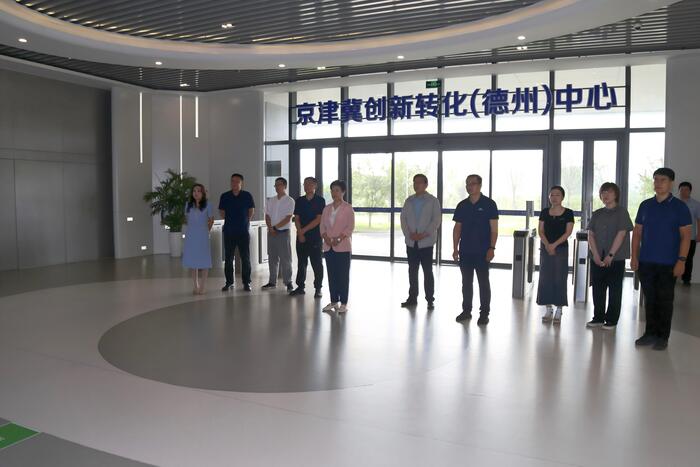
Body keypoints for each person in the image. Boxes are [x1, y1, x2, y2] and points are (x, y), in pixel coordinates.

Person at [632, 167, 692, 351]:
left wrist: (681, 260)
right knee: (650, 299)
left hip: (669, 263)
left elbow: (686, 236)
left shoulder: (680, 207)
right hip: (646, 261)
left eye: (663, 180)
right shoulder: (645, 205)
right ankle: (649, 333)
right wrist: (634, 257)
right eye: (656, 179)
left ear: (671, 183)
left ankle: (662, 336)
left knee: (665, 300)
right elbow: (637, 233)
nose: (658, 183)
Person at [586, 183, 633, 329]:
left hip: (616, 258)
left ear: (616, 194)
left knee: (615, 289)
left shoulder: (621, 212)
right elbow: (590, 234)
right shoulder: (597, 213)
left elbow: (621, 233)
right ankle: (598, 317)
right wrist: (595, 254)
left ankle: (612, 319)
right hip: (597, 257)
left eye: (609, 192)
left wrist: (611, 255)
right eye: (603, 192)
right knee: (598, 289)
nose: (605, 195)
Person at [453, 174, 498, 326]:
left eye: (473, 183)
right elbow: (457, 228)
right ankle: (466, 311)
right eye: (467, 184)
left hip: (483, 251)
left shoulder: (489, 204)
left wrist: (492, 248)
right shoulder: (462, 205)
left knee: (483, 283)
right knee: (466, 283)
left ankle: (484, 313)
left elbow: (494, 229)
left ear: (480, 185)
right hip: (465, 251)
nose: (469, 186)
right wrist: (455, 248)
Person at [399, 174, 441, 309]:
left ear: (426, 184)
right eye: (414, 182)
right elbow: (403, 219)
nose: (416, 185)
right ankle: (412, 298)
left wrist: (424, 234)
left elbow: (436, 220)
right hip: (411, 242)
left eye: (419, 182)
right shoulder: (409, 201)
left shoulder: (433, 201)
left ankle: (430, 299)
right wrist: (409, 234)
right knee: (412, 271)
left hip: (426, 242)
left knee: (427, 271)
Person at [537, 186, 575, 324]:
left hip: (561, 249)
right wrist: (548, 245)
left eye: (557, 195)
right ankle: (548, 309)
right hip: (546, 248)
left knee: (560, 278)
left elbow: (568, 232)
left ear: (562, 197)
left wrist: (554, 245)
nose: (554, 197)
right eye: (551, 195)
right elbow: (541, 231)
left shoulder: (568, 213)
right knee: (545, 278)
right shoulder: (544, 212)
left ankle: (559, 309)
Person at [320, 180, 355, 314]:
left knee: (343, 276)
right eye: (332, 190)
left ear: (343, 192)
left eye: (337, 190)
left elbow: (350, 227)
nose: (334, 193)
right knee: (332, 274)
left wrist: (338, 239)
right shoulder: (327, 208)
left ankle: (344, 303)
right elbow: (322, 226)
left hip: (343, 247)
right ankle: (334, 301)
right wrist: (326, 238)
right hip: (328, 246)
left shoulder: (348, 208)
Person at [290, 177, 326, 298]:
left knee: (317, 263)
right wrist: (300, 233)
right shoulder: (299, 200)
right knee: (301, 263)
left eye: (309, 184)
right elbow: (297, 218)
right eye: (305, 184)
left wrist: (303, 231)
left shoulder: (320, 200)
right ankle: (300, 287)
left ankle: (318, 288)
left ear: (315, 186)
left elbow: (318, 219)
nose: (306, 186)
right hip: (301, 237)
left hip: (315, 237)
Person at [219, 173, 255, 292]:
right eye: (232, 181)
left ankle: (246, 282)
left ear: (241, 183)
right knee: (229, 258)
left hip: (243, 232)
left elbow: (251, 211)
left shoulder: (247, 195)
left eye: (237, 181)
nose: (234, 183)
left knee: (245, 258)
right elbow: (222, 212)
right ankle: (229, 282)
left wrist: (246, 222)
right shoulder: (225, 196)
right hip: (229, 232)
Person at [262, 177, 295, 292]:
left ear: (285, 186)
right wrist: (270, 228)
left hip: (283, 233)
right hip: (271, 232)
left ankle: (288, 282)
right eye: (275, 185)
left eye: (279, 185)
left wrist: (275, 228)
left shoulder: (289, 200)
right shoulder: (271, 200)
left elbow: (288, 218)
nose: (277, 187)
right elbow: (267, 215)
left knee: (285, 258)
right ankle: (272, 282)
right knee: (272, 258)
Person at [182, 183, 215, 295]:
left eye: (199, 191)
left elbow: (211, 220)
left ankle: (203, 286)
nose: (196, 193)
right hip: (191, 234)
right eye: (194, 191)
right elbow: (186, 219)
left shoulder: (208, 205)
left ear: (203, 193)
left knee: (204, 260)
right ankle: (195, 285)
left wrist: (206, 230)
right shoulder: (188, 205)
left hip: (203, 234)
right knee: (193, 261)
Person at [678, 181, 700, 285]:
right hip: (675, 237)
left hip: (690, 237)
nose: (683, 192)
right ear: (679, 191)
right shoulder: (674, 204)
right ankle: (673, 278)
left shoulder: (696, 204)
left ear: (690, 191)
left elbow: (699, 220)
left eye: (686, 189)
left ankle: (686, 280)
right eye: (681, 190)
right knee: (673, 257)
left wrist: (699, 234)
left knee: (688, 259)